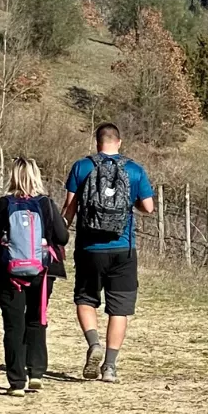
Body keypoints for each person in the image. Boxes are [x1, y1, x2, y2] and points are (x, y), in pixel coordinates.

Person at [62, 122, 154, 383]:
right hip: (123, 248)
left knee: (85, 299)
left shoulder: (82, 167)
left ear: (97, 142)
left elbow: (69, 208)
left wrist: (59, 238)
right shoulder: (134, 170)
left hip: (89, 248)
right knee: (119, 308)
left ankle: (94, 343)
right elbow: (148, 207)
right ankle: (110, 366)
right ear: (119, 142)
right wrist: (131, 200)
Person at [0, 158, 68, 396]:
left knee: (13, 325)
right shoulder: (47, 204)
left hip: (7, 273)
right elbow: (62, 238)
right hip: (42, 273)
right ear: (36, 176)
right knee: (36, 320)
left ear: (13, 177)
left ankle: (16, 382)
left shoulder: (2, 204)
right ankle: (37, 373)